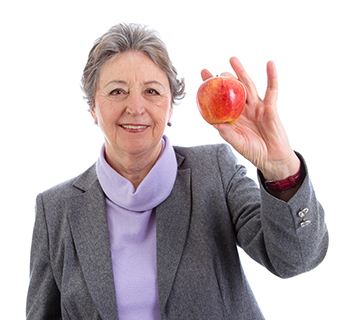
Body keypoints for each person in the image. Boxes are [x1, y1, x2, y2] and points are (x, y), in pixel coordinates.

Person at [26, 23, 328, 320]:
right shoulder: (56, 210)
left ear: (171, 107)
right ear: (93, 107)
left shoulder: (215, 172)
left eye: (152, 91)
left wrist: (281, 168)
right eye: (117, 91)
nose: (135, 107)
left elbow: (295, 259)